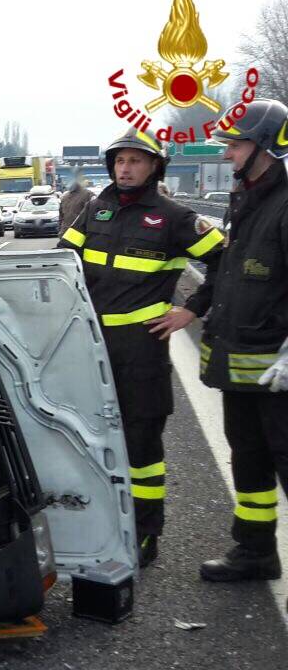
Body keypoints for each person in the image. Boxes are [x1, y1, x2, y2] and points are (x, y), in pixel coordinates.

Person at [57, 128, 225, 566]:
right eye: (119, 161)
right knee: (88, 438)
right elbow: (58, 261)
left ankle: (147, 532)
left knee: (142, 445)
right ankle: (103, 525)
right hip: (90, 345)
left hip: (141, 348)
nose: (125, 168)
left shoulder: (175, 217)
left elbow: (224, 261)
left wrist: (190, 310)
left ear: (154, 166)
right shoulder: (96, 210)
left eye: (134, 161)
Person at [152, 99, 288, 586]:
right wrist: (194, 307)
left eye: (235, 143)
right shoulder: (246, 199)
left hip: (278, 371)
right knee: (249, 460)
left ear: (264, 145)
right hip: (244, 367)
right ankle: (255, 552)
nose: (228, 153)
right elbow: (229, 271)